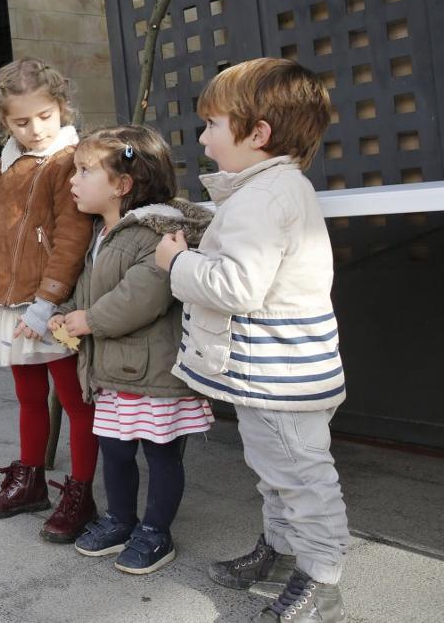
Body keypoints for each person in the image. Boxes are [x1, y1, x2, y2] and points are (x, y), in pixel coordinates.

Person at [154, 59, 346, 621]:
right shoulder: (269, 190)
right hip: (276, 372)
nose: (204, 139)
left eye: (212, 125)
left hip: (279, 376)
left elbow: (237, 286)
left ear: (257, 133)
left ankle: (321, 580)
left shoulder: (263, 198)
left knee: (301, 478)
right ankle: (282, 554)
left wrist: (177, 261)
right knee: (277, 472)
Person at [49, 125, 213, 575]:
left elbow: (144, 295)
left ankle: (156, 531)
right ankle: (120, 519)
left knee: (161, 454)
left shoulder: (156, 232)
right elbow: (89, 287)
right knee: (116, 451)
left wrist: (90, 320)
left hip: (154, 373)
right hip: (113, 373)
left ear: (122, 185)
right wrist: (66, 312)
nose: (73, 180)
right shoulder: (102, 233)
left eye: (84, 171)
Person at [0, 58, 96, 543]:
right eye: (21, 121)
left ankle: (81, 493)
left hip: (54, 304)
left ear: (62, 106)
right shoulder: (3, 164)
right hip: (14, 301)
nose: (36, 129)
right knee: (28, 396)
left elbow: (71, 239)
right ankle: (29, 482)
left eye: (45, 116)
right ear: (3, 122)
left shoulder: (72, 160)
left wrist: (47, 303)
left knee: (75, 400)